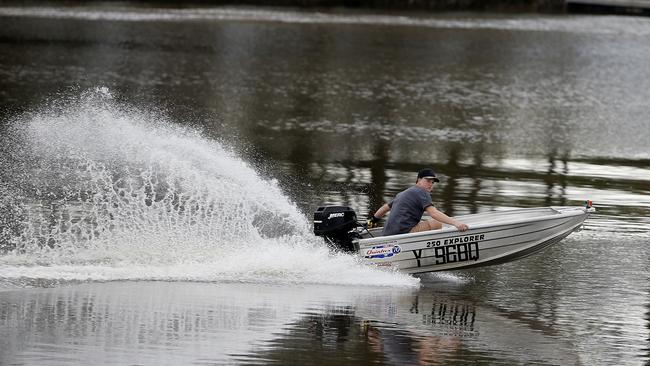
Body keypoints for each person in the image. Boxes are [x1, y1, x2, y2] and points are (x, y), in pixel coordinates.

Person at [367, 168, 469, 236]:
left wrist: (373, 220)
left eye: (432, 182)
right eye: (428, 181)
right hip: (403, 234)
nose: (431, 185)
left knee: (422, 222)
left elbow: (385, 208)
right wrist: (456, 223)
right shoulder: (422, 192)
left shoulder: (403, 193)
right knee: (437, 223)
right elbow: (434, 213)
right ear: (419, 180)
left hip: (387, 235)